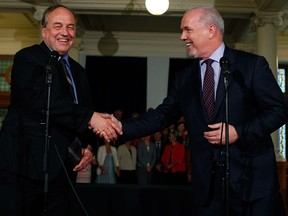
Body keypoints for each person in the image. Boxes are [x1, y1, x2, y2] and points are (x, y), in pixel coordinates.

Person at [118, 6, 288, 216]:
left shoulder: (251, 66)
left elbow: (279, 110)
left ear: (210, 30)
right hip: (208, 191)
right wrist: (118, 126)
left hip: (252, 185)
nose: (182, 37)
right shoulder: (185, 78)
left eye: (187, 30)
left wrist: (239, 133)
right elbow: (161, 116)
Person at [0, 4, 122, 216]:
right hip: (23, 167)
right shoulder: (27, 59)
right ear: (44, 30)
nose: (65, 32)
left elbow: (85, 110)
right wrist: (91, 118)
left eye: (71, 27)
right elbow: (40, 102)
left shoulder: (79, 72)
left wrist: (89, 145)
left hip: (62, 171)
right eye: (58, 26)